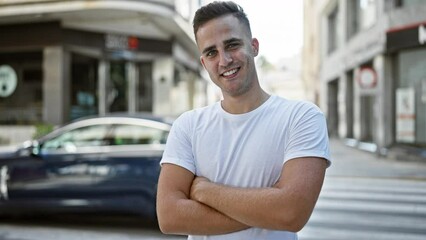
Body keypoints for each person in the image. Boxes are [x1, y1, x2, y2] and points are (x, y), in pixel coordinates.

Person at [156, 1, 331, 239]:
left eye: (232, 45)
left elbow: (292, 213)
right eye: (211, 52)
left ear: (254, 46)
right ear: (203, 63)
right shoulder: (188, 126)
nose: (224, 60)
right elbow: (170, 217)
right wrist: (267, 210)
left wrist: (205, 190)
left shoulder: (301, 117)